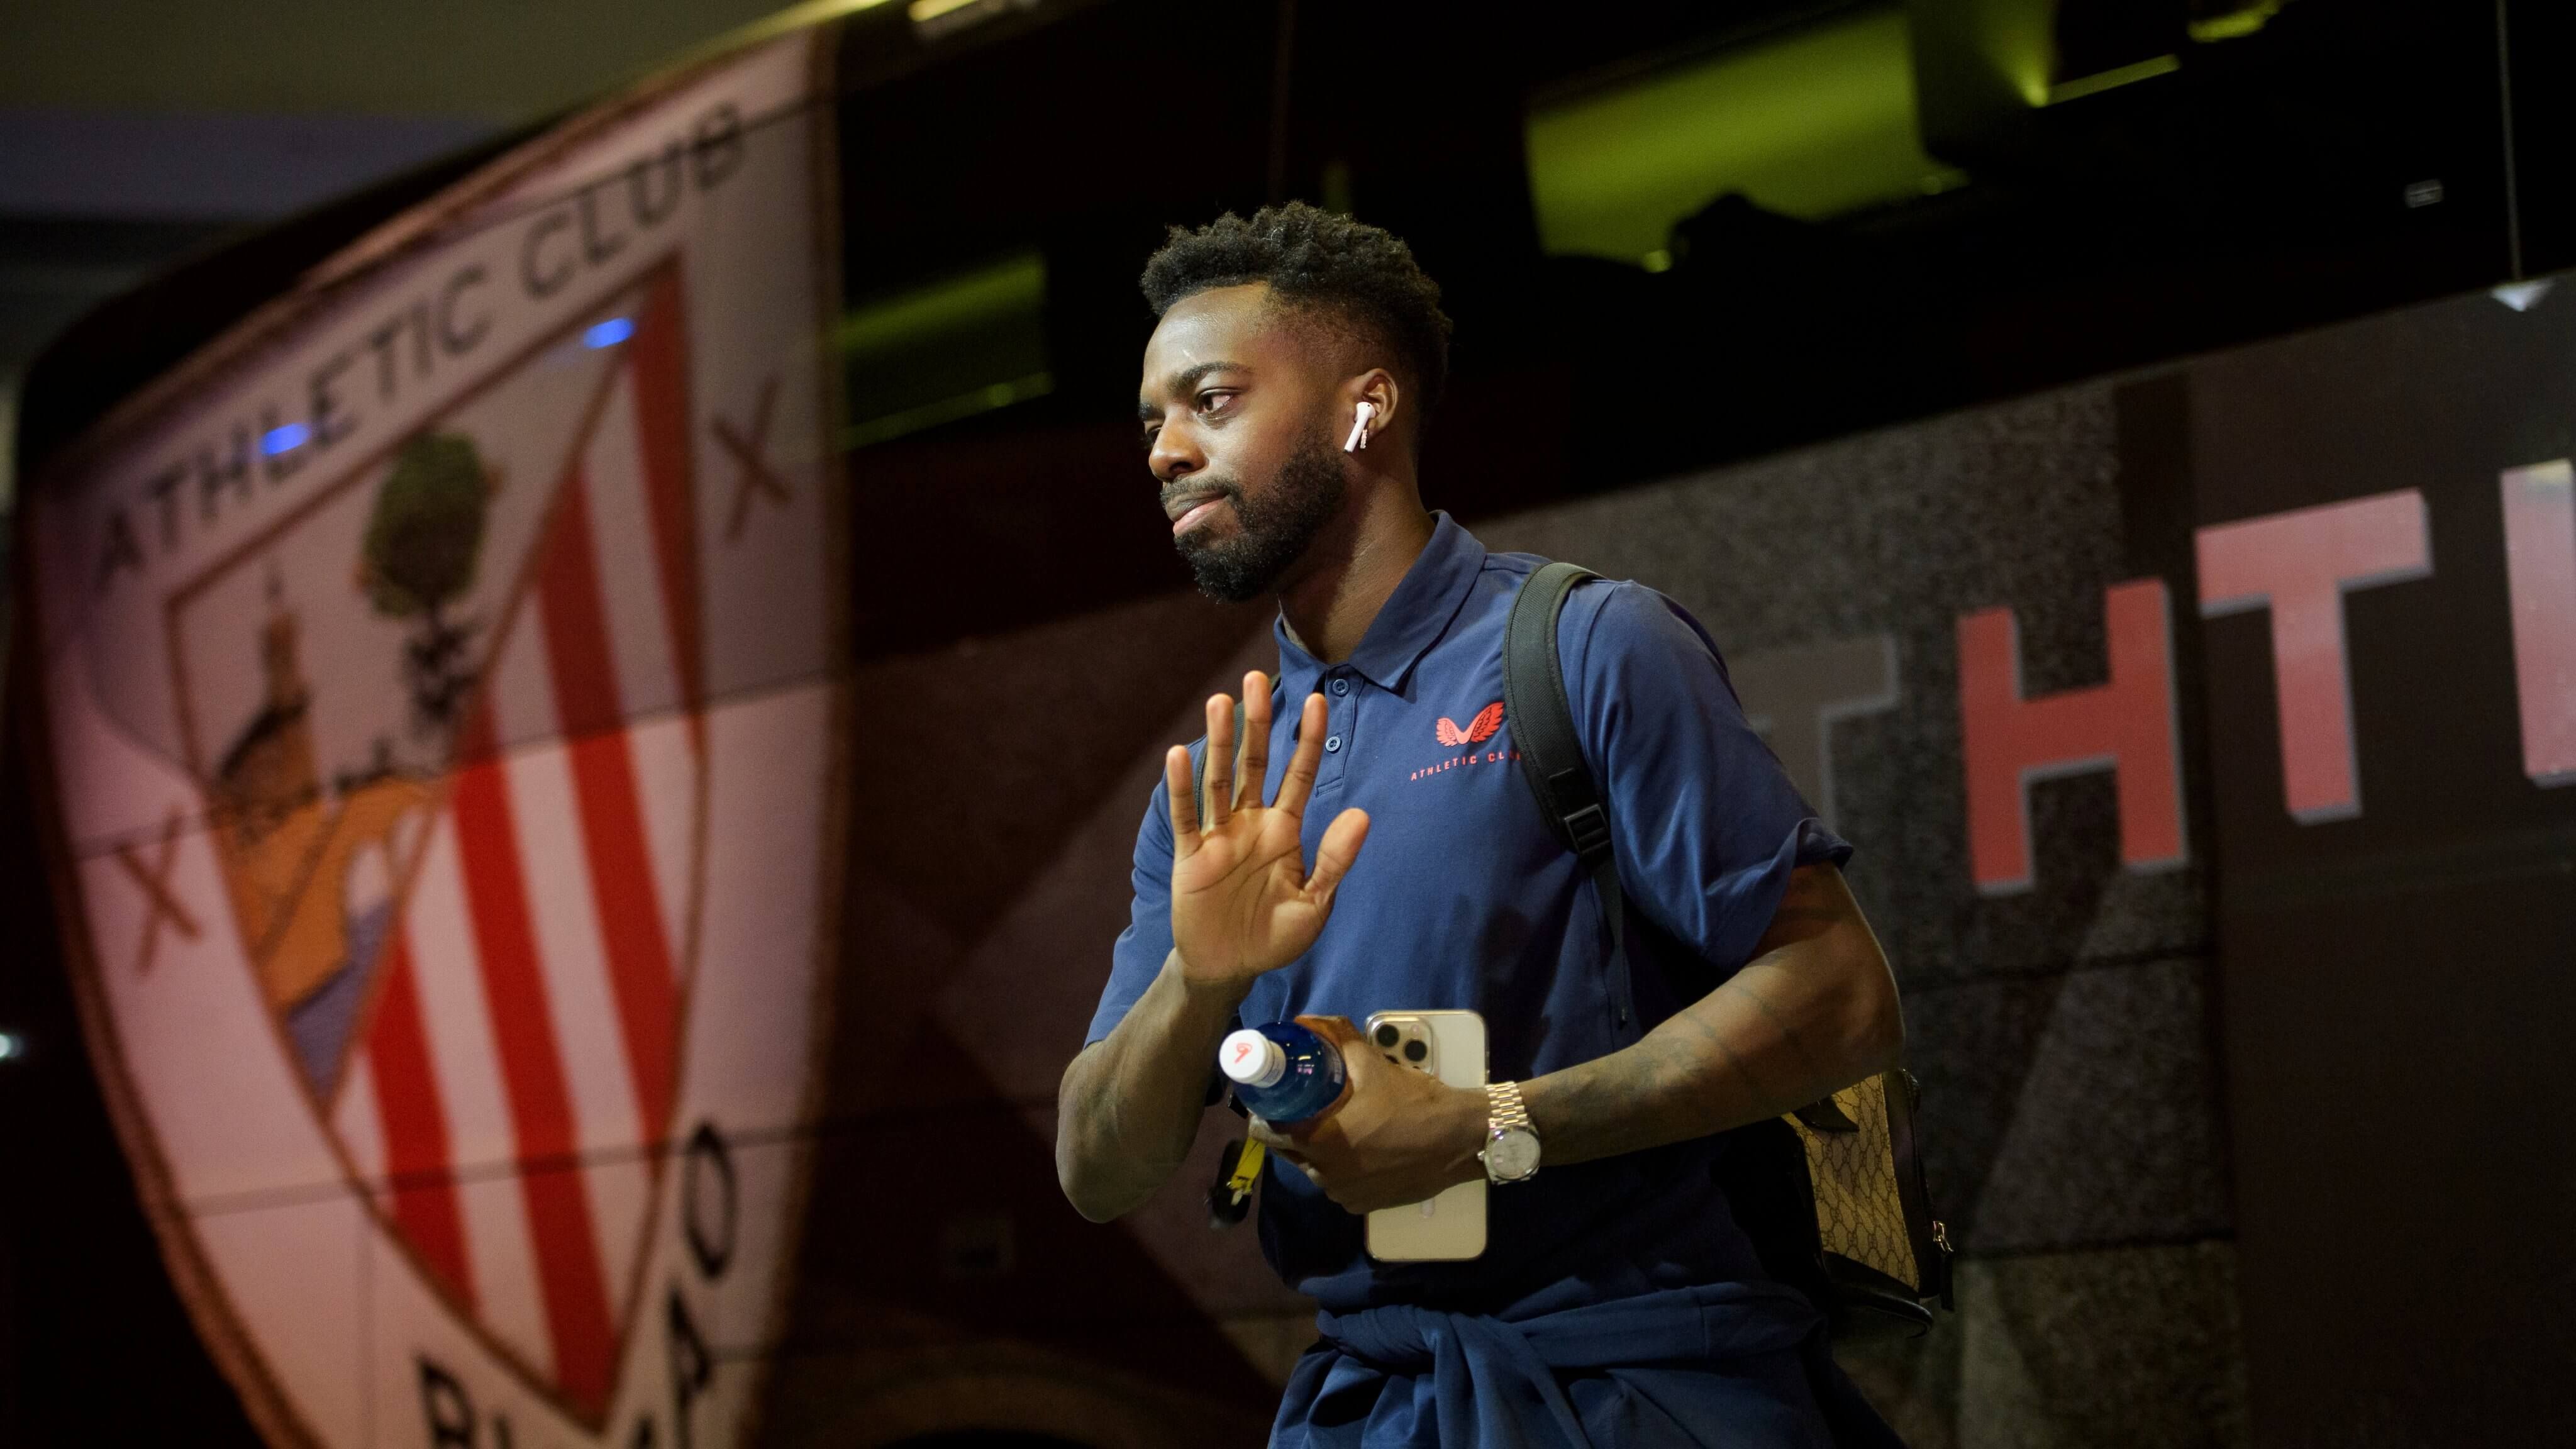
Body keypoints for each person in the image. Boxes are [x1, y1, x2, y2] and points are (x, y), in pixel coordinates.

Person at [1055, 202, 1907, 1448]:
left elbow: (1842, 999)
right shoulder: (1222, 787)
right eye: (1152, 421)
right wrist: (1196, 982)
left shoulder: (1587, 647)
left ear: (1366, 409)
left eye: (1212, 400)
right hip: (1374, 1405)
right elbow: (1095, 1170)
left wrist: (1490, 1128)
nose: (1164, 450)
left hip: (1646, 1390)